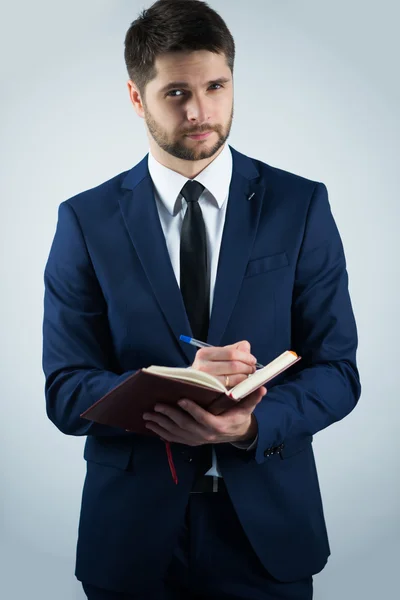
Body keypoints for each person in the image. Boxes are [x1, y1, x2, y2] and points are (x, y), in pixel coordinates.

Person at [42, 1, 361, 598]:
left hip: (266, 534)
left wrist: (249, 424)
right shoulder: (85, 221)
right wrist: (167, 382)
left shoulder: (300, 206)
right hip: (133, 542)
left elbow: (339, 371)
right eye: (176, 92)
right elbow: (64, 391)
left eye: (216, 86)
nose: (200, 111)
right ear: (137, 97)